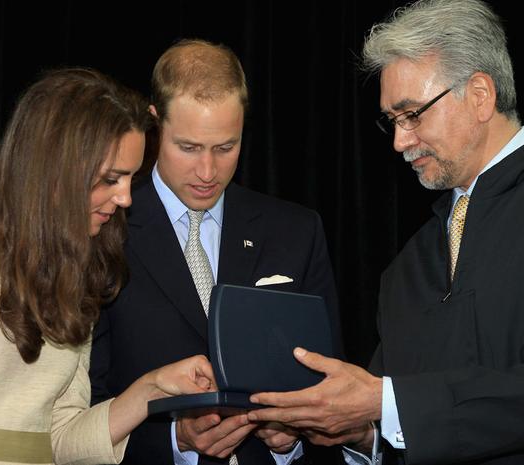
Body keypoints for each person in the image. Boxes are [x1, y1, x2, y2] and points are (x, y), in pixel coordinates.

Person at [247, 0, 524, 463]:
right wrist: (355, 432)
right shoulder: (409, 265)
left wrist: (385, 403)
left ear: (480, 95)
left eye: (413, 115)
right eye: (392, 121)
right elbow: (408, 426)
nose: (399, 141)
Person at [0, 68, 217, 465]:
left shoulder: (78, 266)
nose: (125, 198)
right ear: (55, 168)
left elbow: (63, 439)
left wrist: (152, 388)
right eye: (110, 179)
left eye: (130, 178)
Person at [89, 39, 345, 465]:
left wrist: (295, 437)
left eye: (226, 147)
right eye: (188, 147)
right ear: (154, 125)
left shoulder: (296, 230)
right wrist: (176, 442)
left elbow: (331, 385)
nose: (208, 172)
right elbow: (82, 412)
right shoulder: (102, 230)